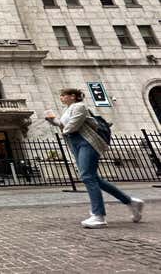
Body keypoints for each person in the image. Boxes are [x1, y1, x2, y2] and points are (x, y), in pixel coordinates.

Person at [45, 88, 144, 228]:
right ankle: (131, 202)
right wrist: (54, 121)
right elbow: (64, 125)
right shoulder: (67, 110)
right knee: (94, 178)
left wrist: (64, 130)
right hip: (75, 144)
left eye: (63, 95)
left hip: (87, 142)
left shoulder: (80, 106)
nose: (60, 98)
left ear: (72, 96)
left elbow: (73, 126)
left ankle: (98, 216)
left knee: (87, 177)